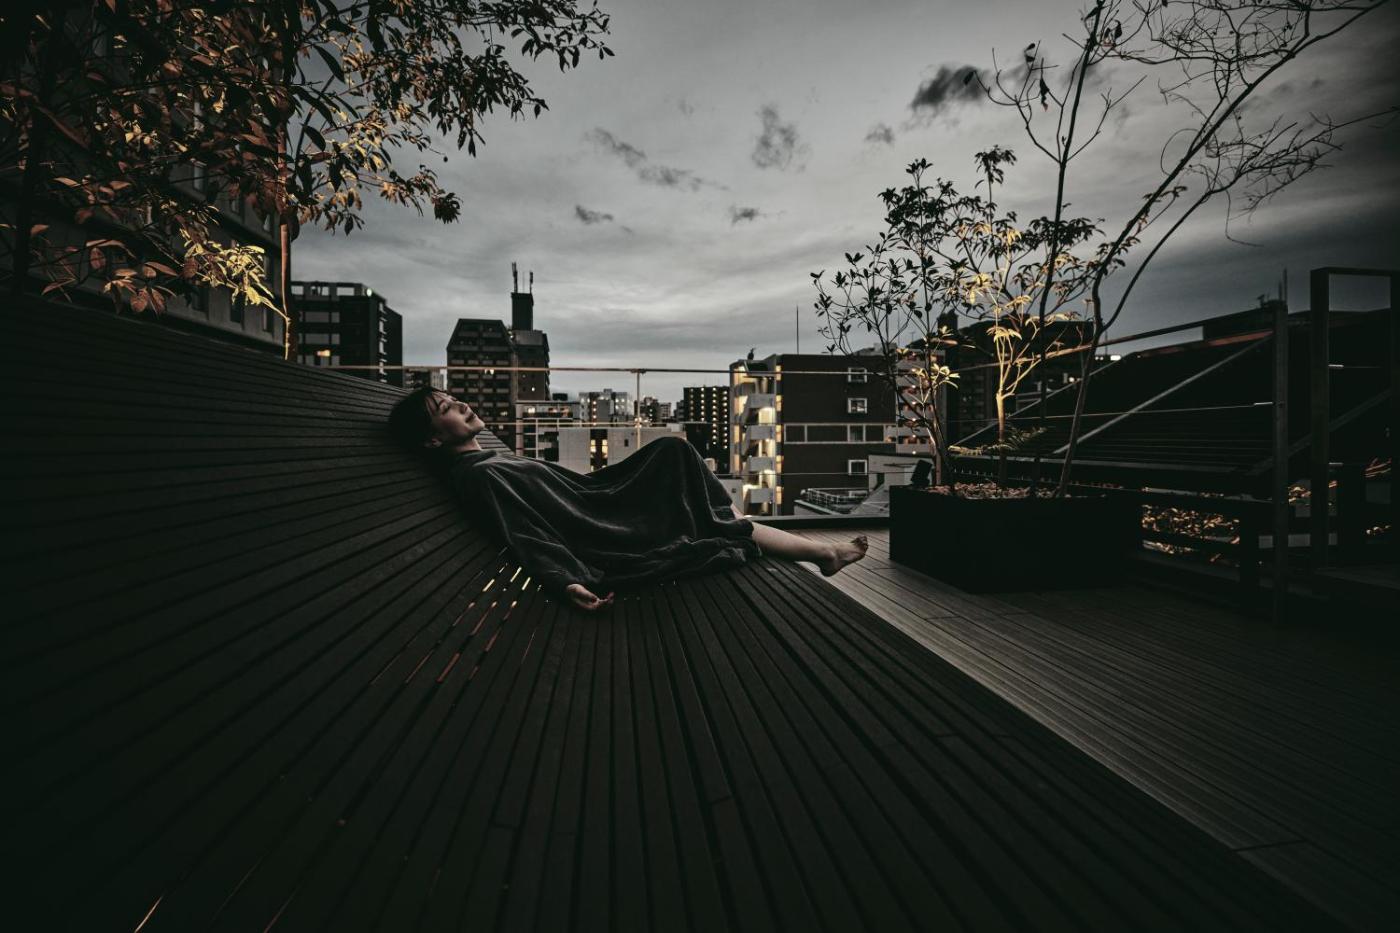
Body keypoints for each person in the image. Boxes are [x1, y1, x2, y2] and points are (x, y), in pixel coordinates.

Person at [388, 386, 867, 612]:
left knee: (678, 458)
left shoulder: (487, 459)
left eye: (454, 398)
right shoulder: (480, 476)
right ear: (433, 439)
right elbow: (521, 531)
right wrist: (565, 580)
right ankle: (820, 553)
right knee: (684, 466)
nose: (462, 404)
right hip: (602, 521)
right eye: (447, 408)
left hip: (598, 503)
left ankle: (822, 553)